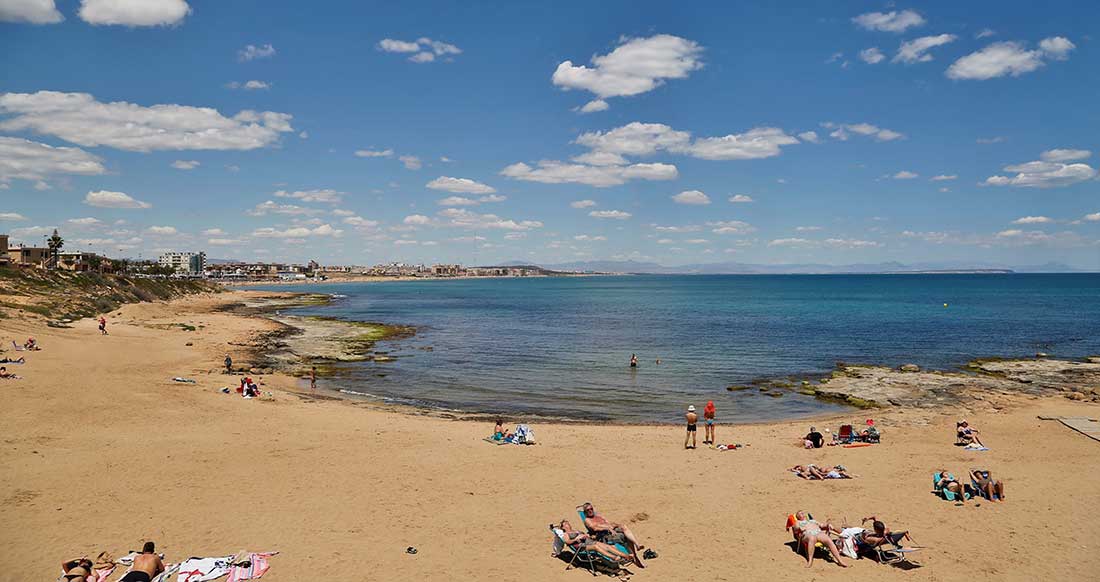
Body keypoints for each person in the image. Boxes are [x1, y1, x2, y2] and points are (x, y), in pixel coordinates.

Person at [581, 502, 645, 568]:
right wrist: (607, 528)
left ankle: (637, 545)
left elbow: (610, 523)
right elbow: (595, 528)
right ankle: (635, 558)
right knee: (625, 537)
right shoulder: (587, 520)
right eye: (588, 510)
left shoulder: (599, 516)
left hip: (612, 530)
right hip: (605, 535)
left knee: (624, 527)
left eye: (591, 509)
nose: (590, 511)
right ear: (585, 512)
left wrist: (616, 525)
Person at [557, 520, 634, 565]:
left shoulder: (576, 530)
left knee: (607, 546)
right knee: (596, 547)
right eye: (565, 524)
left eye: (568, 522)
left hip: (589, 541)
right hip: (581, 546)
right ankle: (614, 557)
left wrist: (587, 535)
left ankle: (625, 556)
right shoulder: (565, 534)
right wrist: (576, 539)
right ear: (563, 527)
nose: (568, 524)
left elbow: (586, 535)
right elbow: (567, 541)